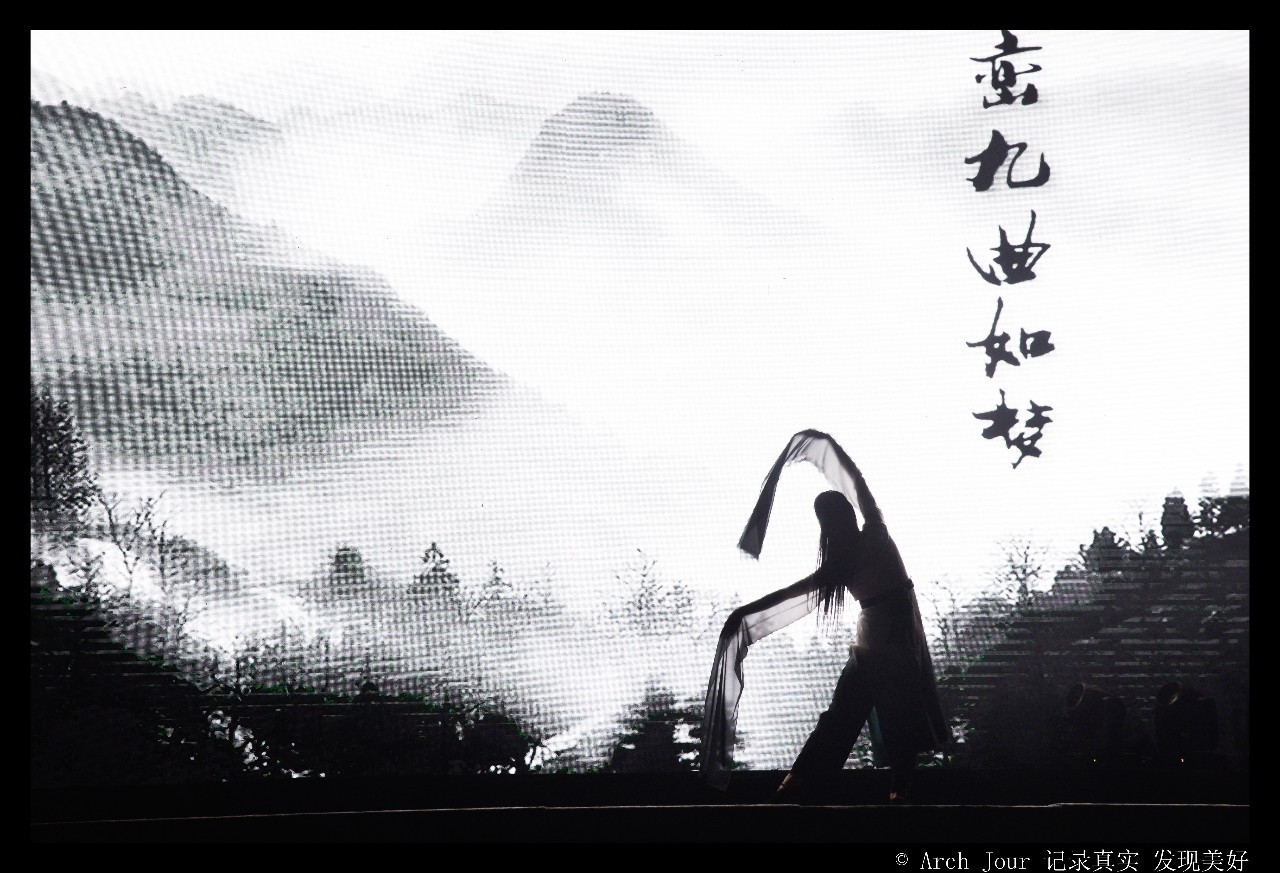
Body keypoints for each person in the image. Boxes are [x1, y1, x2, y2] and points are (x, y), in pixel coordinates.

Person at [699, 429, 951, 803]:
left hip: (879, 641)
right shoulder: (874, 536)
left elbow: (788, 595)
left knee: (848, 716)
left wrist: (744, 615)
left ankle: (801, 787)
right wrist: (825, 447)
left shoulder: (840, 563)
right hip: (895, 638)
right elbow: (859, 485)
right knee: (894, 714)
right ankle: (893, 791)